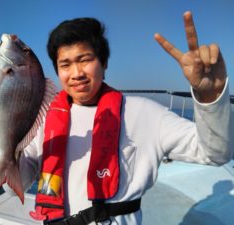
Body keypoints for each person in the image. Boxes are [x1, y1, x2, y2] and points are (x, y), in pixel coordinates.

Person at [15, 11, 233, 225]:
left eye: (85, 60)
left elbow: (215, 153)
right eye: (65, 64)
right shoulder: (42, 119)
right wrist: (0, 137)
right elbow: (15, 185)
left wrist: (210, 96)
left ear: (104, 63)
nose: (76, 73)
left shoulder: (145, 114)